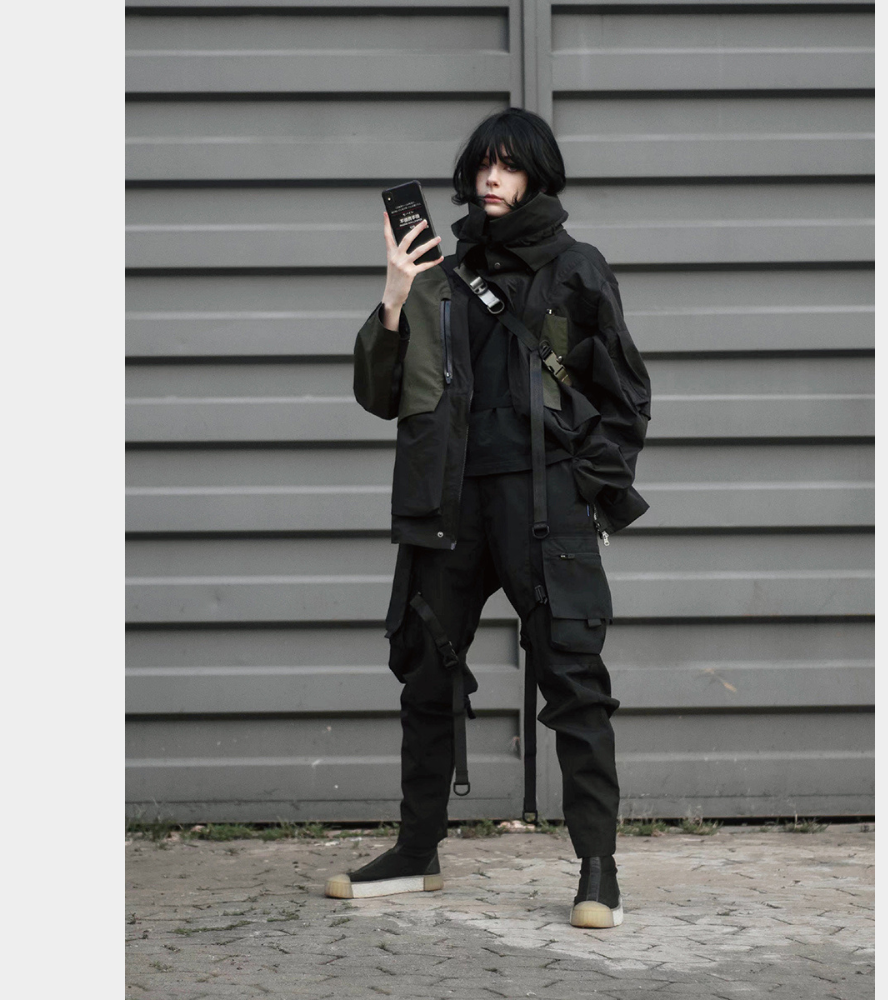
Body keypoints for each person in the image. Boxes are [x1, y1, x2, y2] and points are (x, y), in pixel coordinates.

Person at [325, 108, 651, 928]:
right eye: (482, 165)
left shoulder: (577, 269)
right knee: (426, 674)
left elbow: (625, 398)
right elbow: (378, 394)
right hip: (449, 506)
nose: (491, 178)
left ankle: (598, 869)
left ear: (537, 174)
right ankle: (416, 851)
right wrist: (394, 294)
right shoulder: (438, 274)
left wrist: (584, 488)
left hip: (543, 506)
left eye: (508, 165)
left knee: (575, 682)